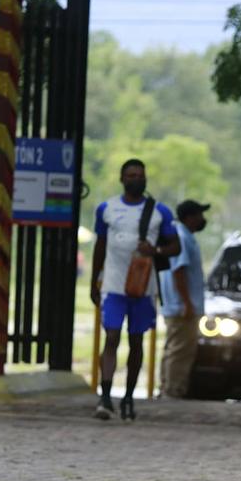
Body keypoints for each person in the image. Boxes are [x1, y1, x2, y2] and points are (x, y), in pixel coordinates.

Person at [91, 159, 180, 421]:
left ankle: (129, 397)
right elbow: (100, 245)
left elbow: (176, 247)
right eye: (131, 175)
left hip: (143, 287)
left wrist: (157, 250)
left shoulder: (159, 211)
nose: (136, 179)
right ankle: (105, 396)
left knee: (136, 341)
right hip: (113, 285)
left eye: (140, 175)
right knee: (112, 337)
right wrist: (95, 281)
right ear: (121, 179)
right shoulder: (107, 208)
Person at [158, 199, 210, 398]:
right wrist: (187, 302)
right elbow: (178, 271)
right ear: (190, 217)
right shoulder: (182, 236)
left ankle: (166, 389)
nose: (202, 219)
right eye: (200, 215)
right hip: (181, 306)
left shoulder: (181, 235)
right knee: (180, 351)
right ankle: (173, 391)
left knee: (173, 348)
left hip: (177, 304)